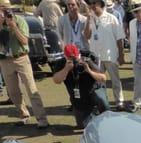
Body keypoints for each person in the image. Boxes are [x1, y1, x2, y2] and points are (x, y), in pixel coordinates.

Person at [0, 0, 49, 128]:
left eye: (6, 9)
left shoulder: (20, 20)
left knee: (31, 89)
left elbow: (24, 41)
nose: (4, 11)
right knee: (13, 92)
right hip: (5, 61)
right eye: (1, 8)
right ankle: (23, 115)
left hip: (21, 58)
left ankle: (42, 119)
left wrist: (14, 27)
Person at [83, 0, 126, 110]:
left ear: (101, 5)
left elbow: (119, 38)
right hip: (96, 56)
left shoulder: (112, 18)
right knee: (98, 81)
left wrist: (121, 55)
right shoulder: (90, 18)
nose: (92, 6)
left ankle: (119, 102)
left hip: (110, 54)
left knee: (115, 80)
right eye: (91, 4)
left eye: (94, 3)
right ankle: (102, 102)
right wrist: (88, 19)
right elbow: (87, 36)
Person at [52, 44, 108, 127]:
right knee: (83, 125)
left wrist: (89, 70)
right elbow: (56, 80)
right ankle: (93, 115)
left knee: (101, 99)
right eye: (71, 59)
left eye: (76, 57)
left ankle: (107, 117)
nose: (74, 61)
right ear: (65, 57)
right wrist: (66, 69)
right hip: (78, 97)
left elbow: (103, 78)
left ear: (79, 54)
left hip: (94, 91)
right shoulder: (62, 63)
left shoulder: (88, 58)